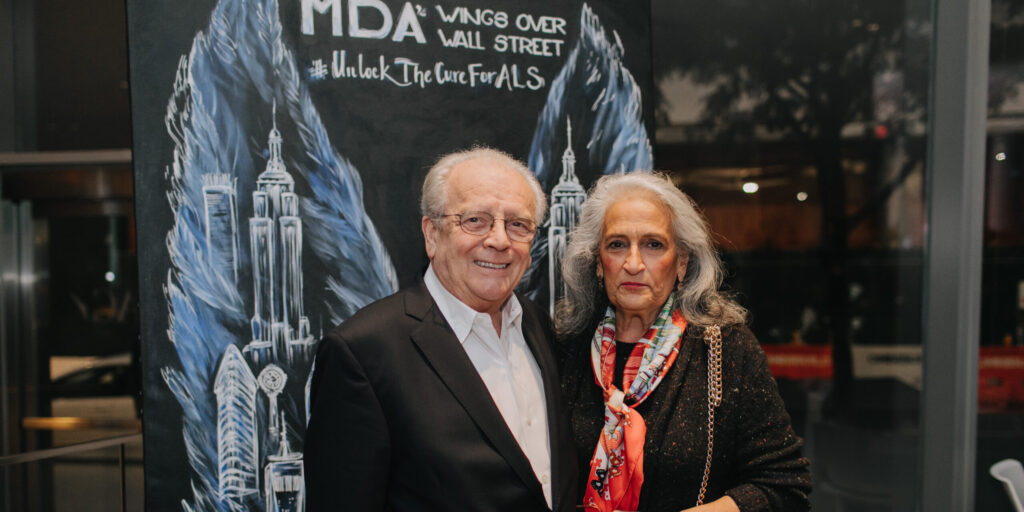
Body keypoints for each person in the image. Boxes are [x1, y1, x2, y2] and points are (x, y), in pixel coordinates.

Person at [304, 147, 577, 511]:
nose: (499, 240)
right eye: (475, 221)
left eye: (517, 225)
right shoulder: (364, 353)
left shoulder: (542, 328)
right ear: (432, 234)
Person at [556, 172, 811, 512]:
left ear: (681, 262)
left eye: (653, 245)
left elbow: (784, 486)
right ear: (599, 264)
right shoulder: (566, 347)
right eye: (617, 245)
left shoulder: (726, 350)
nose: (633, 264)